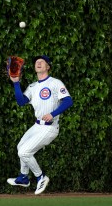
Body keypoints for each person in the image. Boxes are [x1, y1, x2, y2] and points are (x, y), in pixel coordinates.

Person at [6, 55, 73, 196]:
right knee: (20, 147)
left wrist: (53, 114)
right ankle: (24, 177)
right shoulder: (33, 86)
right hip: (37, 126)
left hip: (49, 127)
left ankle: (40, 177)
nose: (39, 63)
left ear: (48, 67)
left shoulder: (55, 83)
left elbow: (68, 101)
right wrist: (16, 83)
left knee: (24, 152)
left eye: (42, 62)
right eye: (37, 62)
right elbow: (21, 102)